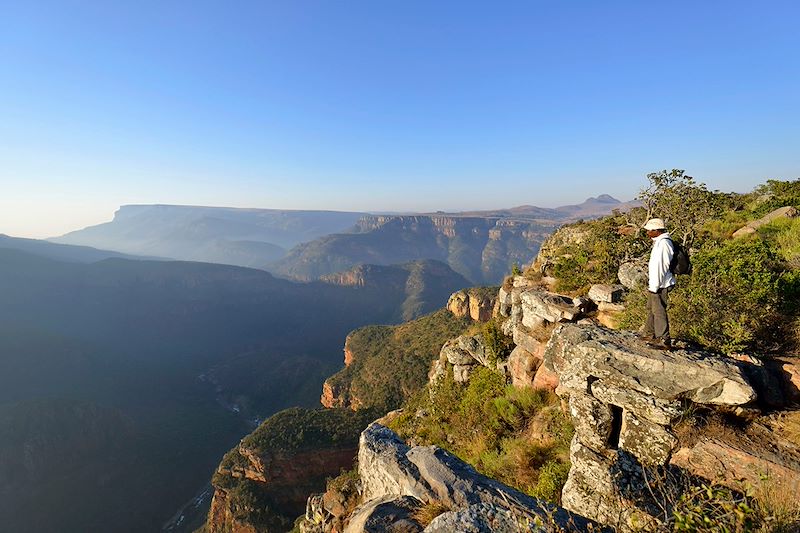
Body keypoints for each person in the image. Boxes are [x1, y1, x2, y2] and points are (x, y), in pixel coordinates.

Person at [641, 218, 676, 349]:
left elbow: (661, 267)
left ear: (657, 230)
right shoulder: (659, 242)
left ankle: (664, 339)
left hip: (660, 285)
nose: (647, 233)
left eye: (649, 230)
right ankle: (650, 334)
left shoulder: (663, 244)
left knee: (659, 311)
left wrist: (654, 287)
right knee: (652, 309)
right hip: (656, 283)